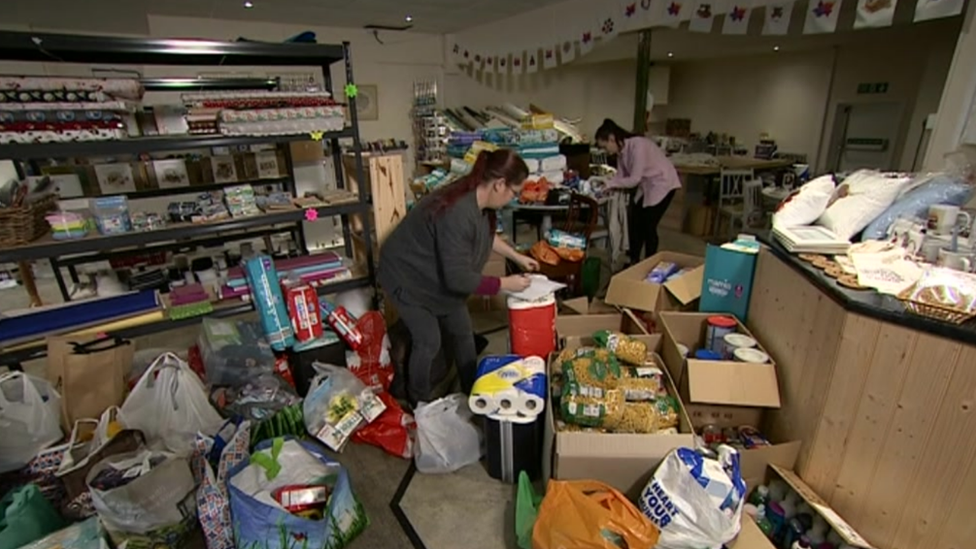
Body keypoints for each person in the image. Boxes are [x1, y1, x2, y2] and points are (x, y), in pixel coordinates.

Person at [378, 149, 540, 405]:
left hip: (432, 272)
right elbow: (458, 279)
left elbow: (486, 236)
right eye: (514, 192)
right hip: (404, 274)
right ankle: (418, 403)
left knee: (463, 332)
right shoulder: (457, 212)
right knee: (429, 340)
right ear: (499, 184)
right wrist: (505, 285)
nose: (513, 198)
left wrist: (517, 257)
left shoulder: (481, 201)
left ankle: (472, 392)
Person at [595, 118, 681, 264]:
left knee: (648, 224)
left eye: (605, 147)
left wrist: (610, 184)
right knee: (635, 221)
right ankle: (633, 260)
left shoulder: (637, 146)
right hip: (648, 185)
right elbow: (621, 176)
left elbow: (634, 179)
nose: (606, 151)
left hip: (663, 183)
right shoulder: (621, 152)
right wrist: (607, 186)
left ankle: (650, 263)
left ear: (611, 139)